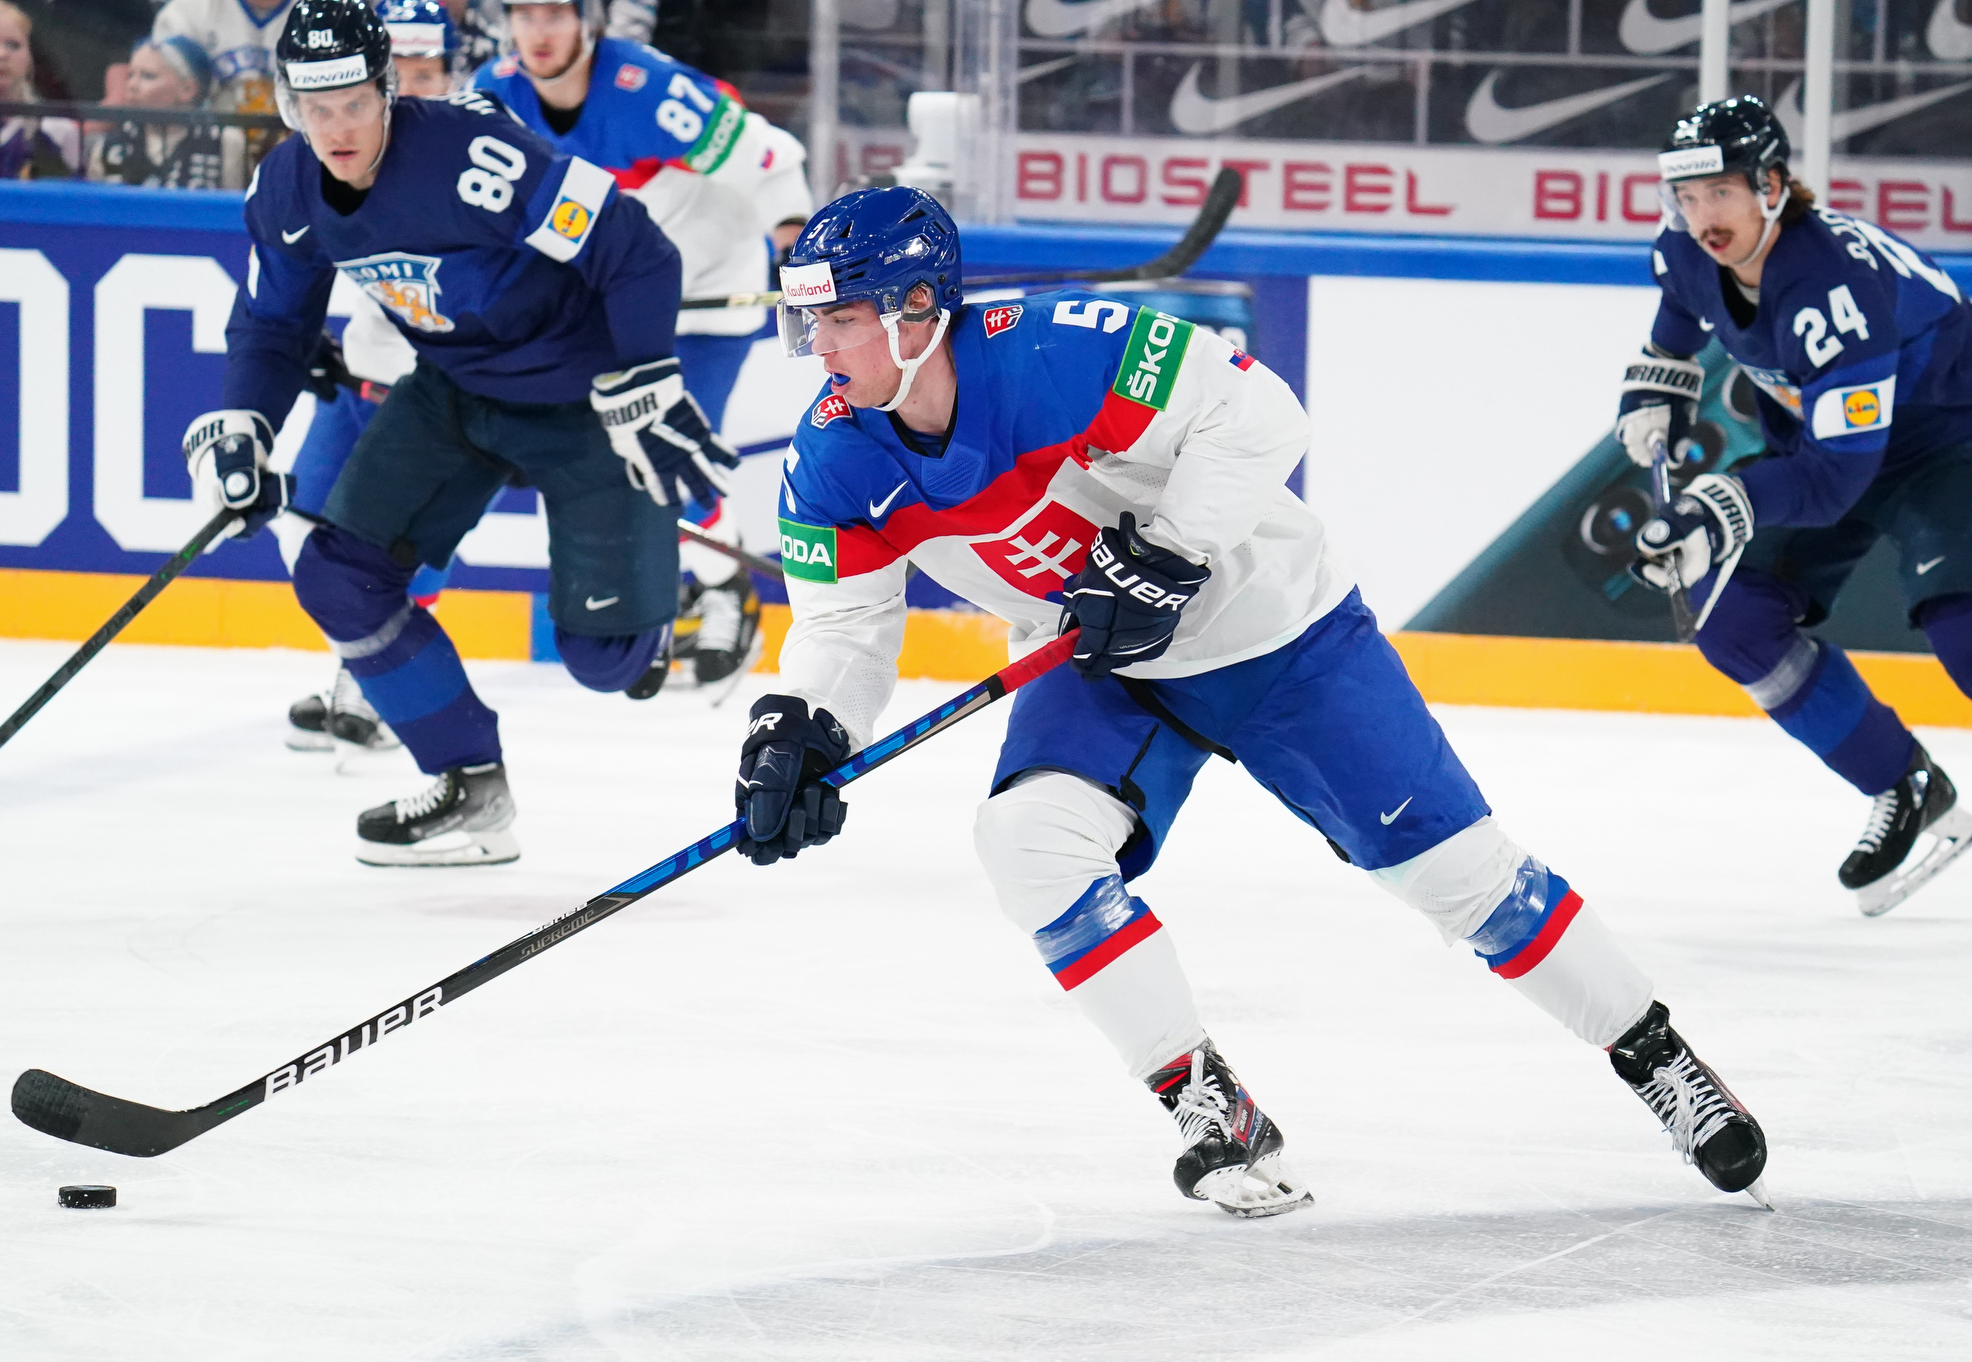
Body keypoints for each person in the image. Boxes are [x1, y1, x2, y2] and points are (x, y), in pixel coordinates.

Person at [734, 185, 1771, 1216]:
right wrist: (801, 728)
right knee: (1026, 840)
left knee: (1464, 884)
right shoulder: (832, 455)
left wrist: (1166, 552)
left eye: (840, 317)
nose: (819, 346)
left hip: (1277, 633)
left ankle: (1657, 1059)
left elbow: (1262, 413)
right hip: (1105, 670)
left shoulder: (1053, 350)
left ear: (918, 308)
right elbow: (841, 631)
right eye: (809, 320)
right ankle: (1207, 1102)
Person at [190, 0, 729, 865]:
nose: (338, 129)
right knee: (338, 577)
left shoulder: (475, 155)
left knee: (606, 664)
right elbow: (272, 326)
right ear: (289, 105)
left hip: (583, 397)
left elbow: (636, 251)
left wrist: (647, 377)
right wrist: (247, 420)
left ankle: (660, 612)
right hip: (457, 387)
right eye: (315, 108)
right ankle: (469, 786)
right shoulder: (287, 191)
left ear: (388, 89)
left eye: (356, 104)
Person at [1620, 95, 1972, 917]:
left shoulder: (1833, 288)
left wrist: (1719, 503)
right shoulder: (1684, 249)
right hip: (1828, 444)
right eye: (1689, 195)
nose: (1703, 215)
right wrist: (1658, 381)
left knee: (1963, 633)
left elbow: (1829, 486)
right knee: (1733, 618)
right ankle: (1905, 784)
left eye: (1723, 192)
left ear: (1772, 185)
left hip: (1945, 447)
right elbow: (1680, 315)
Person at [474, 0, 811, 691]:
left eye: (555, 14)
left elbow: (773, 163)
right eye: (524, 14)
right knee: (616, 460)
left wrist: (797, 256)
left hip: (708, 292)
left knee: (666, 450)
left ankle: (724, 591)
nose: (539, 33)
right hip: (611, 300)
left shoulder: (649, 90)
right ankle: (668, 596)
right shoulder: (491, 99)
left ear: (588, 21)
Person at [278, 0, 467, 758]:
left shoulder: (472, 156)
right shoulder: (345, 148)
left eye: (432, 71)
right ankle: (364, 668)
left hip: (431, 399)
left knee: (404, 553)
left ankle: (384, 693)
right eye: (408, 71)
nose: (419, 86)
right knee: (305, 528)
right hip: (360, 373)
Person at [151, 0, 292, 168]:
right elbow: (159, 96)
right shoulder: (188, 10)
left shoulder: (322, 12)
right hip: (207, 156)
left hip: (296, 153)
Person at [92, 35, 245, 189]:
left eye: (147, 76)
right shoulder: (107, 146)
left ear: (187, 90)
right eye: (130, 75)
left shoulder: (224, 142)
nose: (132, 85)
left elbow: (233, 208)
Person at [0, 0, 77, 179]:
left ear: (29, 56)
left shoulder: (57, 130)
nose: (2, 55)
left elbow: (73, 201)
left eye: (14, 45)